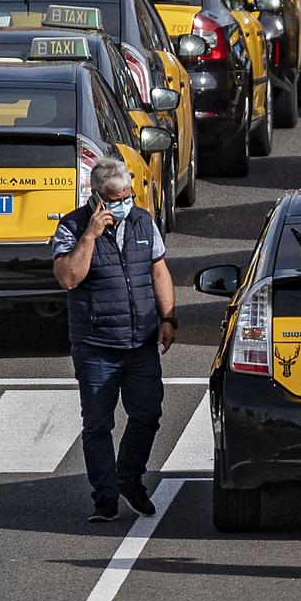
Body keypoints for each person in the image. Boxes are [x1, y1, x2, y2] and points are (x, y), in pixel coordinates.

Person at [52, 157, 176, 523]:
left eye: (128, 195)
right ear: (98, 198)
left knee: (148, 413)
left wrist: (168, 318)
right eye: (116, 197)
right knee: (97, 424)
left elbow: (159, 271)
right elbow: (69, 278)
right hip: (96, 345)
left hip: (141, 342)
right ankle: (105, 496)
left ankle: (129, 475)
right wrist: (90, 235)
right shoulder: (72, 227)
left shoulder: (143, 221)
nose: (125, 201)